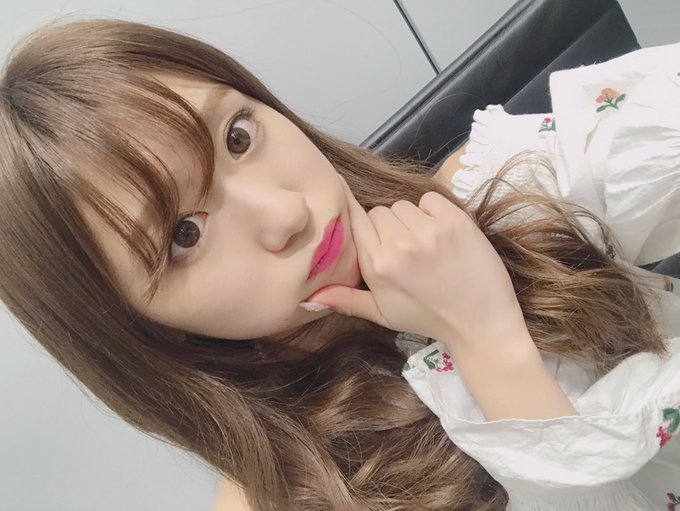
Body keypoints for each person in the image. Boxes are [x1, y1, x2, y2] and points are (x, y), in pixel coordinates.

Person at [0, 17, 678, 511]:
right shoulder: (288, 495)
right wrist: (485, 338)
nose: (285, 214)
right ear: (135, 322)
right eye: (184, 234)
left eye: (239, 135)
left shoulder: (494, 188)